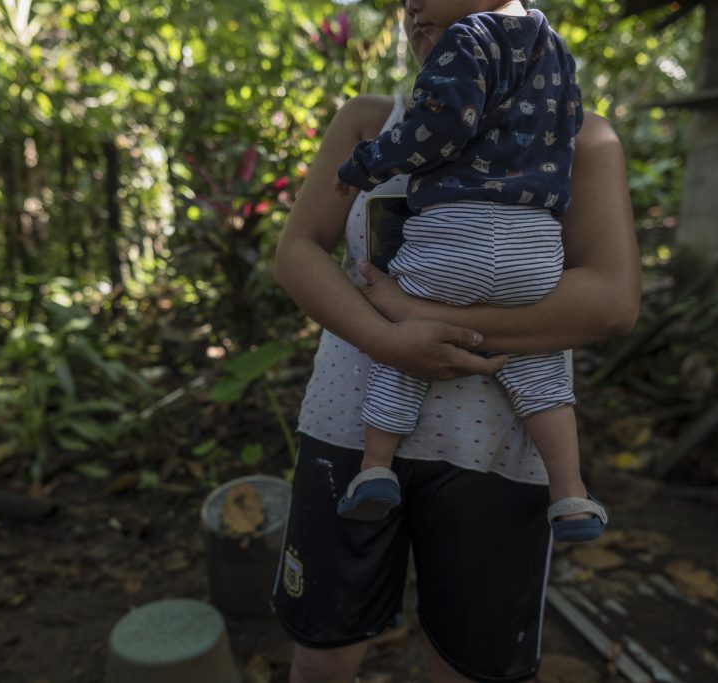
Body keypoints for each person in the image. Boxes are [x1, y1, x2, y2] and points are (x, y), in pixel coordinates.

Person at [271, 1, 640, 681]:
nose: (412, 10)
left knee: (474, 662)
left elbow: (611, 300)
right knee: (321, 645)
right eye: (406, 5)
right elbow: (297, 251)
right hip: (349, 428)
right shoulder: (367, 120)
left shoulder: (583, 139)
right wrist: (387, 340)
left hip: (498, 450)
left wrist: (412, 319)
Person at [331, 0, 604, 543]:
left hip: (457, 230)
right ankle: (569, 494)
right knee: (540, 368)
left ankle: (374, 469)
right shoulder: (554, 47)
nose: (412, 5)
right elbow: (569, 122)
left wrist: (365, 163)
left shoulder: (468, 36)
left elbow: (441, 126)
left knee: (405, 347)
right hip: (534, 242)